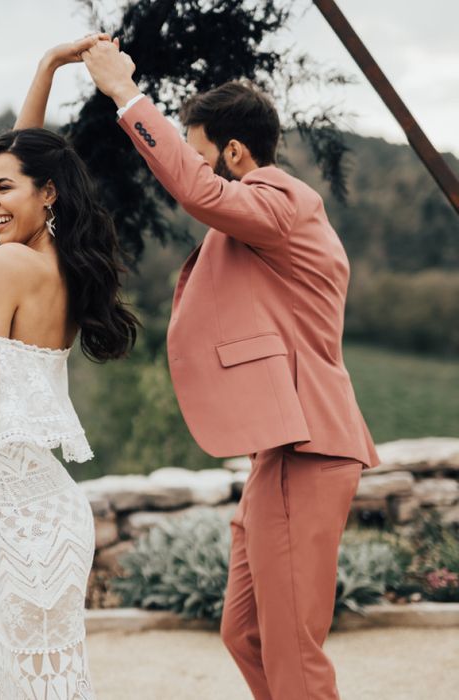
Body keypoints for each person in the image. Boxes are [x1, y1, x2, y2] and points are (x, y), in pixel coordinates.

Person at [81, 39, 380, 700]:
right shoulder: (263, 225)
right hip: (277, 453)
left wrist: (125, 94)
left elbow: (194, 191)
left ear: (236, 154)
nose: (193, 164)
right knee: (244, 634)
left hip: (308, 449)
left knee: (292, 653)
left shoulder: (281, 203)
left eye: (200, 150)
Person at [0, 34, 138, 700]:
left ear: (46, 193)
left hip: (31, 520)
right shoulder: (62, 265)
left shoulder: (8, 265)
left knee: (32, 688)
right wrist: (48, 66)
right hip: (42, 514)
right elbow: (30, 155)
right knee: (23, 681)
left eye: (2, 189)